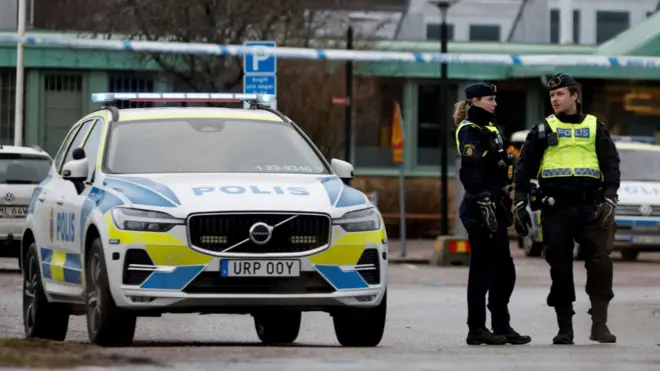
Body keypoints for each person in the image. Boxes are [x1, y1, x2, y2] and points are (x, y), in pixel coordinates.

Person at [512, 73, 620, 345]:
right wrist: (519, 202)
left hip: (590, 208)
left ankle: (599, 324)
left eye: (560, 94)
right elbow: (523, 169)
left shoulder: (596, 127)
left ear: (575, 96)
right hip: (556, 209)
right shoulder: (541, 130)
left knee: (601, 263)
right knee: (559, 267)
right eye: (551, 95)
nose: (555, 99)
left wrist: (610, 198)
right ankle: (565, 328)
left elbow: (611, 164)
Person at [454, 82, 532, 346]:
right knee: (482, 270)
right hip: (480, 207)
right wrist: (483, 200)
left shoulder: (492, 129)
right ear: (474, 101)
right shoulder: (470, 130)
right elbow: (470, 170)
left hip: (496, 205)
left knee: (504, 271)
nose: (494, 103)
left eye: (494, 99)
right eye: (489, 99)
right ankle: (476, 328)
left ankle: (501, 325)